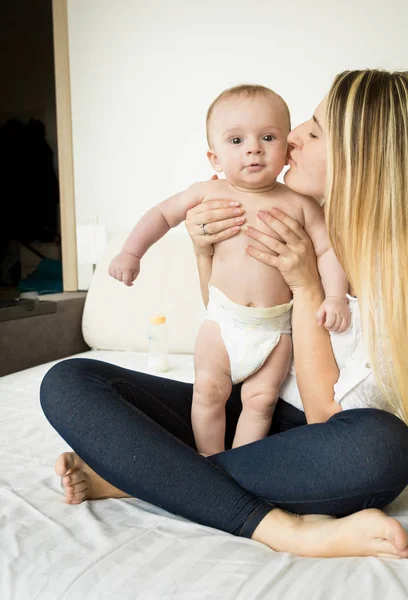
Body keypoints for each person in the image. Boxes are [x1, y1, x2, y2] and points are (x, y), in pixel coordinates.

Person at [40, 69, 408, 559]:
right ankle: (261, 518)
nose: (295, 135)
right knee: (69, 380)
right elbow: (233, 316)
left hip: (313, 441)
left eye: (317, 130)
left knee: (384, 449)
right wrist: (203, 251)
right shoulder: (294, 213)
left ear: (362, 160)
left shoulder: (397, 271)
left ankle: (142, 477)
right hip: (240, 400)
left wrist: (307, 284)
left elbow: (324, 414)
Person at [107, 84, 350, 455]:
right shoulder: (207, 193)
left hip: (276, 329)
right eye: (236, 140)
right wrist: (130, 252)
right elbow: (161, 214)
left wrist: (335, 297)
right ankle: (209, 458)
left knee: (261, 400)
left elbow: (328, 249)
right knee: (207, 391)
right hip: (223, 324)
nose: (253, 148)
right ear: (215, 158)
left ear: (286, 149)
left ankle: (237, 465)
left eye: (268, 137)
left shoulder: (301, 204)